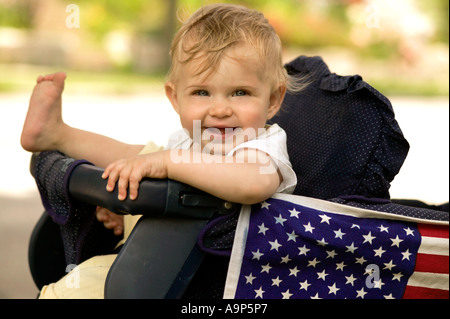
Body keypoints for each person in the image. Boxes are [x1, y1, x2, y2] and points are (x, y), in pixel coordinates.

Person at [21, 3, 306, 298]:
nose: (220, 109)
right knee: (141, 156)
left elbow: (252, 184)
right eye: (202, 92)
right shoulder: (189, 142)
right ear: (175, 97)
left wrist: (168, 162)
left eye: (240, 93)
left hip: (212, 277)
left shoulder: (261, 144)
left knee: (73, 291)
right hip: (167, 253)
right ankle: (59, 134)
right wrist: (132, 202)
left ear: (273, 100)